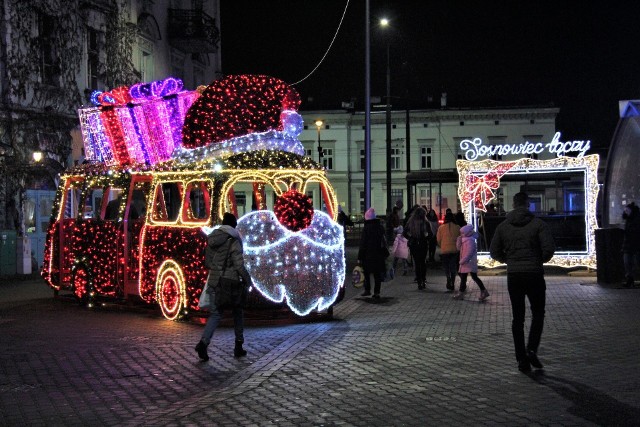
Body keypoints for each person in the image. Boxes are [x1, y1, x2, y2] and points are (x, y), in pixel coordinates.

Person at [490, 192, 555, 373]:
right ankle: (532, 348)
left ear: (513, 203)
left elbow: (494, 251)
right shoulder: (538, 224)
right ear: (527, 204)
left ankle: (521, 359)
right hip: (534, 274)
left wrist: (509, 260)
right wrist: (537, 260)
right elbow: (549, 248)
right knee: (538, 314)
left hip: (515, 276)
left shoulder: (503, 226)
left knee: (517, 318)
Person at [195, 212, 253, 361]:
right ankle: (238, 346)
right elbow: (239, 264)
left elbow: (208, 262)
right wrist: (248, 280)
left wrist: (217, 270)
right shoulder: (233, 239)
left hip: (215, 281)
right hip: (231, 282)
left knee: (215, 314)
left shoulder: (212, 238)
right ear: (234, 225)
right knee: (238, 312)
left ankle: (203, 343)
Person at [357, 207, 388, 300]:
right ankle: (377, 292)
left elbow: (363, 243)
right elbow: (383, 240)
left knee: (366, 272)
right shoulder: (380, 227)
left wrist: (360, 256)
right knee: (377, 274)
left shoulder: (366, 229)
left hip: (368, 254)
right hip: (378, 254)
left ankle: (367, 289)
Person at [453, 224, 490, 301]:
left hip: (468, 263)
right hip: (466, 263)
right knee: (467, 277)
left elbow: (469, 252)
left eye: (462, 233)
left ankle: (463, 293)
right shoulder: (465, 240)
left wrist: (463, 260)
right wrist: (459, 241)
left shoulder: (470, 241)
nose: (461, 234)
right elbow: (459, 248)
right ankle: (463, 292)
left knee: (471, 277)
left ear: (467, 233)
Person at [403, 207, 431, 289]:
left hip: (414, 244)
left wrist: (410, 237)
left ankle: (419, 281)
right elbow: (431, 234)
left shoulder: (410, 222)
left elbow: (404, 233)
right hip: (423, 243)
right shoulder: (426, 222)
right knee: (423, 262)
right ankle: (423, 279)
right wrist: (426, 238)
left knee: (417, 262)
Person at [437, 211, 460, 292]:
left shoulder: (441, 228)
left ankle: (448, 278)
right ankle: (453, 283)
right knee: (453, 267)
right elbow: (460, 238)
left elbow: (438, 240)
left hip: (445, 250)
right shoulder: (457, 227)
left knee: (446, 267)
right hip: (454, 250)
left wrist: (442, 245)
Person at [622, 202, 640, 287]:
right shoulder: (628, 220)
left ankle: (630, 279)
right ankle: (630, 279)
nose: (625, 212)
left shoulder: (635, 220)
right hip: (629, 245)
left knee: (633, 263)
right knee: (627, 262)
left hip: (635, 245)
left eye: (627, 210)